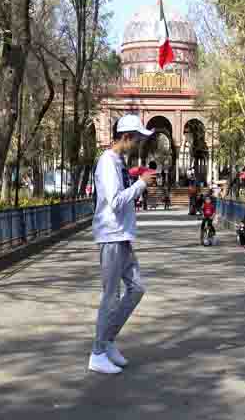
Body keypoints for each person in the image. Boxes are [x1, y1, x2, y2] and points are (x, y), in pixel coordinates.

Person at [89, 115, 156, 375]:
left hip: (122, 235)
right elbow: (114, 201)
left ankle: (107, 341)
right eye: (137, 138)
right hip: (111, 235)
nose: (138, 144)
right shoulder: (107, 162)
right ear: (126, 137)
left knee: (136, 288)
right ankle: (97, 352)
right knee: (111, 296)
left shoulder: (118, 162)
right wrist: (141, 185)